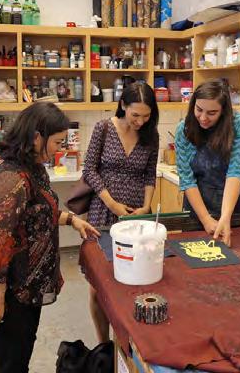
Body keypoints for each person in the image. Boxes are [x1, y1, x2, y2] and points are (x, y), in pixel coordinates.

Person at [0, 102, 100, 372]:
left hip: (24, 290)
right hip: (9, 293)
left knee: (18, 355)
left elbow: (35, 212)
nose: (59, 149)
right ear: (37, 137)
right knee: (9, 365)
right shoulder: (10, 179)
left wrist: (71, 220)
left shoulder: (30, 165)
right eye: (57, 142)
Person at [83, 82, 160, 342]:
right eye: (135, 114)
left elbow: (149, 174)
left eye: (146, 116)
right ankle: (103, 344)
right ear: (123, 105)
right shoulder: (104, 128)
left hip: (136, 215)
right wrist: (111, 203)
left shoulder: (151, 135)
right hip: (103, 212)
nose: (140, 121)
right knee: (98, 284)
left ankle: (126, 343)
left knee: (134, 278)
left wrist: (146, 207)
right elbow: (89, 170)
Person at [175, 79, 240, 246]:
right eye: (199, 110)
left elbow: (236, 172)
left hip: (237, 205)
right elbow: (187, 180)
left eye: (212, 113)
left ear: (223, 111)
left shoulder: (239, 125)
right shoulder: (184, 130)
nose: (203, 118)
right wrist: (205, 219)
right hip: (200, 205)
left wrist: (225, 217)